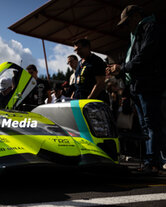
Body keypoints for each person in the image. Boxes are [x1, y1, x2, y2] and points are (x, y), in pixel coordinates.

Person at [106, 5, 165, 172]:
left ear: (137, 16)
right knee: (145, 125)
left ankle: (154, 162)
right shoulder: (136, 34)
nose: (127, 26)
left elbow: (145, 55)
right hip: (137, 86)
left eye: (128, 21)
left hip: (149, 83)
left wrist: (122, 68)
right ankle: (150, 161)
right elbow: (134, 61)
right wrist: (119, 71)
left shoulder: (150, 28)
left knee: (151, 123)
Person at [71, 39, 108, 103]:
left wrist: (89, 99)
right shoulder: (79, 63)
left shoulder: (96, 61)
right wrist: (73, 95)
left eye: (79, 49)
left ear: (87, 47)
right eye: (75, 50)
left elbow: (100, 83)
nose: (77, 52)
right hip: (79, 101)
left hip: (93, 102)